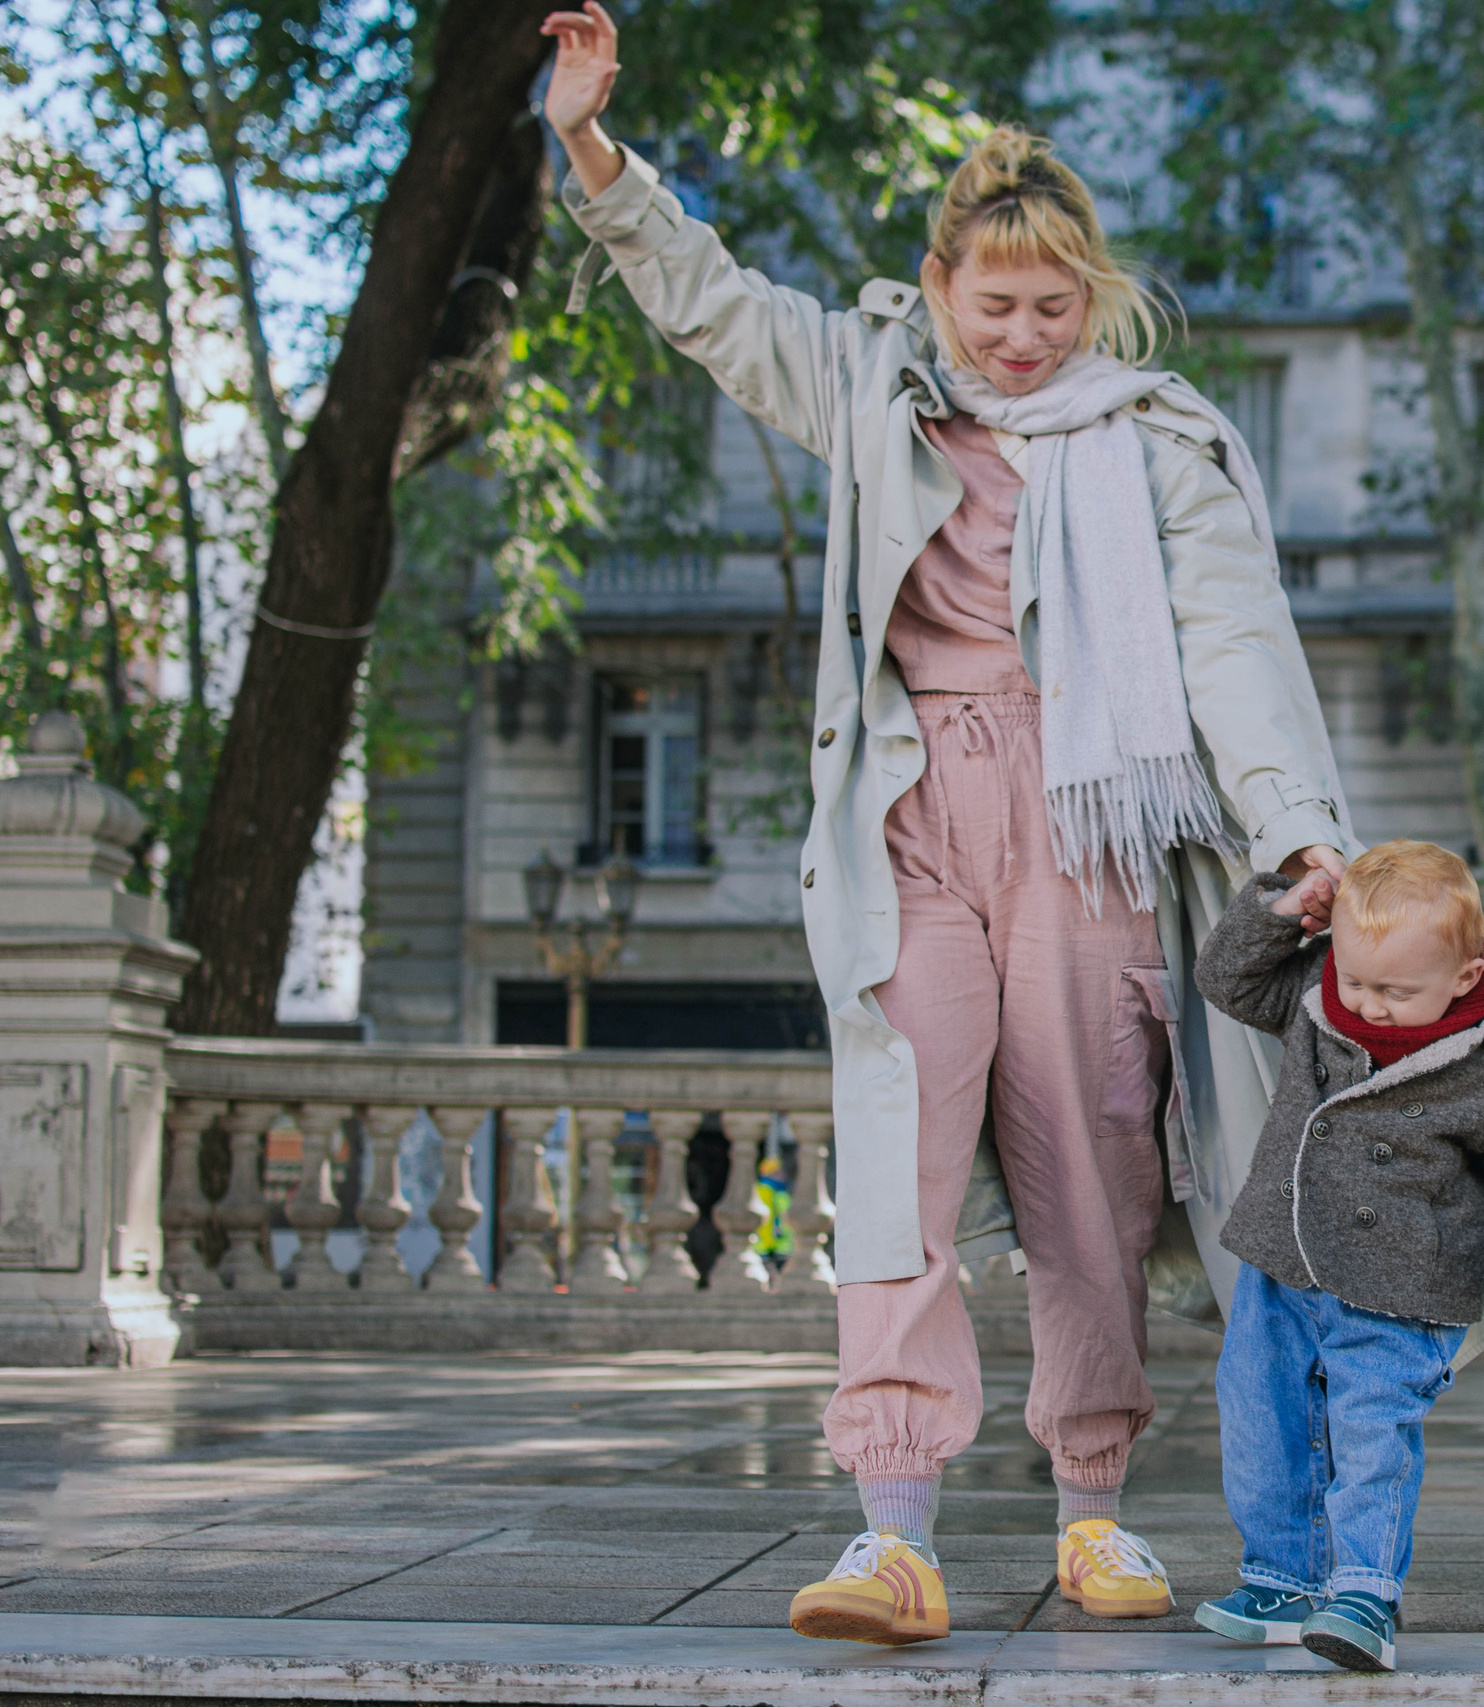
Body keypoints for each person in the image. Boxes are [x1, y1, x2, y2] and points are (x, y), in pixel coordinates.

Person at [541, 5, 1354, 1647]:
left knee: (1098, 1179)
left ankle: (1094, 1509)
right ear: (938, 288)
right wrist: (591, 151)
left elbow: (1235, 646)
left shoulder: (1155, 434)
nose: (1027, 335)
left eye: (1057, 306)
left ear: (1094, 295)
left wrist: (1297, 835)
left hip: (1090, 825)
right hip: (914, 819)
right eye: (996, 304)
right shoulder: (865, 384)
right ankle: (893, 1525)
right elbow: (709, 304)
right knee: (900, 1170)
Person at [1186, 841, 1484, 1671]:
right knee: (1260, 1411)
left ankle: (1365, 1590)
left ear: (1462, 974)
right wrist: (1281, 910)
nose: (1369, 1006)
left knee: (1373, 1428)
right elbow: (1225, 979)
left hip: (1402, 1285)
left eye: (1395, 990)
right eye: (1356, 980)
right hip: (1285, 1256)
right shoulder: (1317, 996)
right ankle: (1281, 1578)